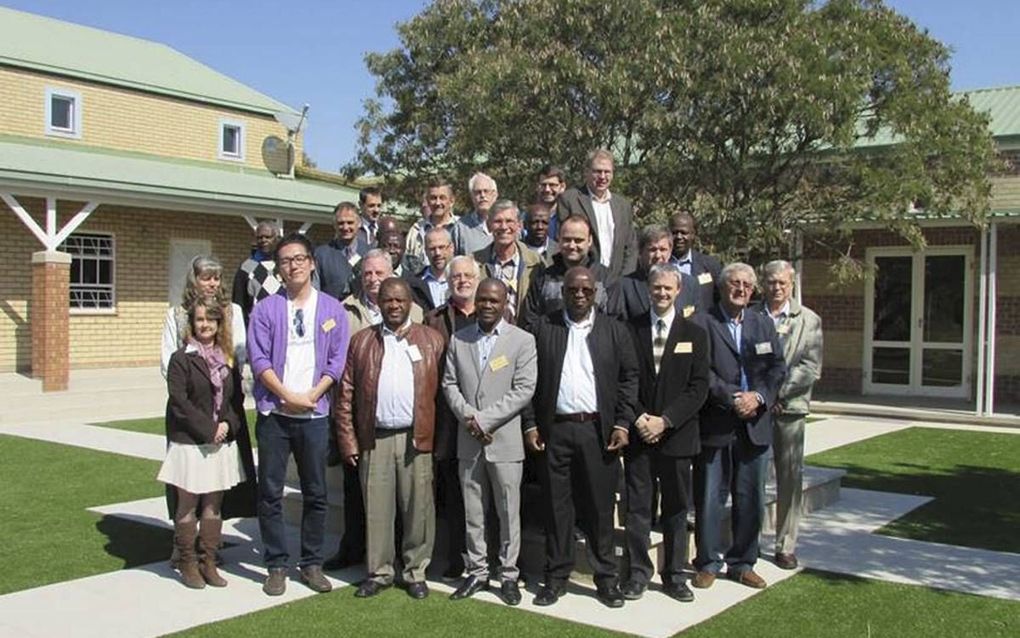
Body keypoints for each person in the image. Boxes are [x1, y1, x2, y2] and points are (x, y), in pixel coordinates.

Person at [526, 267, 639, 609]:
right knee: (556, 508)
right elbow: (528, 382)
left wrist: (622, 423)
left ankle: (606, 578)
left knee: (599, 508)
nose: (579, 296)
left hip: (598, 432)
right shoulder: (544, 327)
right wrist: (530, 424)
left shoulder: (614, 331)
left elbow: (629, 378)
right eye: (573, 290)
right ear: (563, 292)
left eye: (586, 291)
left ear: (595, 294)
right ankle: (556, 577)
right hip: (554, 431)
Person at [247, 233, 351, 596]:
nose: (293, 265)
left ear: (312, 263)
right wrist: (286, 395)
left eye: (299, 258)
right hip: (275, 413)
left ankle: (311, 563)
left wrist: (312, 396)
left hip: (315, 414)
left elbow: (337, 361)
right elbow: (258, 360)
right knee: (270, 492)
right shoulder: (265, 309)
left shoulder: (333, 309)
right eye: (285, 260)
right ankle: (276, 564)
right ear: (278, 268)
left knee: (316, 492)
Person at [336, 278, 446, 600]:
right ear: (379, 304)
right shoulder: (361, 342)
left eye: (400, 300)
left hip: (417, 438)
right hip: (376, 438)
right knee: (377, 510)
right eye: (388, 300)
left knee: (418, 510)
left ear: (410, 302)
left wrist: (439, 444)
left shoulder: (432, 341)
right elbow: (345, 397)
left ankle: (415, 572)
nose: (394, 306)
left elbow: (444, 394)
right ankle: (379, 572)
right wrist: (348, 441)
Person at [442, 279, 538, 605]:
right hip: (468, 441)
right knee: (473, 511)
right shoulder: (459, 339)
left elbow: (524, 390)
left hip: (505, 441)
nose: (486, 305)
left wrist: (485, 419)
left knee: (508, 511)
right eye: (482, 299)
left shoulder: (522, 341)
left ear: (504, 302)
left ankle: (508, 574)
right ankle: (478, 571)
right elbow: (449, 385)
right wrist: (469, 417)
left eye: (493, 300)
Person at [692, 263, 786, 591]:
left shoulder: (763, 325)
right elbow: (700, 371)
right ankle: (706, 563)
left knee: (751, 498)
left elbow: (776, 368)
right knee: (708, 498)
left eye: (748, 284)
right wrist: (733, 397)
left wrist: (758, 397)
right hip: (717, 424)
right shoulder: (702, 323)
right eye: (735, 283)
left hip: (755, 425)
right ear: (721, 287)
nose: (742, 289)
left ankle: (743, 563)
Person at [621, 265, 709, 602]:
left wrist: (666, 421)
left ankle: (674, 575)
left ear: (678, 290)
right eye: (656, 287)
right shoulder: (630, 329)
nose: (661, 293)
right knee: (638, 509)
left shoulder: (695, 334)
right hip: (640, 435)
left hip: (677, 436)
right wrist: (641, 418)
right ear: (648, 288)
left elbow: (698, 387)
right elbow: (623, 381)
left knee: (675, 509)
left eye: (668, 288)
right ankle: (638, 574)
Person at [159, 300, 257, 589]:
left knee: (214, 507)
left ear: (218, 324)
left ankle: (209, 561)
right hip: (190, 444)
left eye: (210, 320)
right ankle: (187, 562)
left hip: (219, 443)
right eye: (200, 319)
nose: (205, 325)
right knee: (188, 505)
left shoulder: (226, 358)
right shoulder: (181, 358)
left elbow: (233, 399)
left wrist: (227, 425)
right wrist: (209, 429)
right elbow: (180, 403)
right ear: (192, 322)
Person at [757, 260, 823, 571]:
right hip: (756, 409)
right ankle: (749, 540)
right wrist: (763, 397)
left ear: (792, 284)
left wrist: (780, 394)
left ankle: (785, 544)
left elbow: (810, 366)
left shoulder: (808, 320)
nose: (777, 287)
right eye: (771, 282)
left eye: (782, 282)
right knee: (752, 477)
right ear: (763, 283)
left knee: (788, 479)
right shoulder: (751, 315)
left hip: (790, 409)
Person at [424, 255, 481, 579]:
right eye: (455, 276)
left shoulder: (496, 311)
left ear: (477, 277)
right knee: (451, 492)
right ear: (448, 281)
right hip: (447, 419)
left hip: (486, 419)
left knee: (482, 490)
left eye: (467, 275)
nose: (462, 280)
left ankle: (485, 557)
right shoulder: (434, 320)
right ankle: (454, 556)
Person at [520, 214, 613, 331]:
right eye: (567, 240)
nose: (572, 245)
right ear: (558, 239)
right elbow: (531, 320)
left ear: (589, 241)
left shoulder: (605, 277)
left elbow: (613, 322)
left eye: (578, 240)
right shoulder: (545, 278)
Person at [162, 255, 246, 380]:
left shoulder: (233, 311)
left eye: (216, 279)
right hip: (188, 386)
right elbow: (168, 356)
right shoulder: (176, 314)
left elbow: (239, 351)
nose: (213, 284)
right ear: (194, 281)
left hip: (224, 383)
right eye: (206, 279)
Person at [558, 149, 637, 278]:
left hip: (616, 280)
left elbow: (630, 247)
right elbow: (564, 242)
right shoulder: (570, 199)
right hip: (582, 280)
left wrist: (624, 279)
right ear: (586, 172)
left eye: (607, 172)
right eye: (597, 171)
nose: (602, 177)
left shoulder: (623, 206)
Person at [609, 225, 701, 321]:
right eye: (652, 250)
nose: (658, 255)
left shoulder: (689, 284)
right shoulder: (624, 286)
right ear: (640, 252)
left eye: (663, 250)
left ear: (670, 251)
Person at [472, 200, 543, 323]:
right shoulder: (474, 262)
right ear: (489, 225)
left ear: (519, 225)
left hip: (524, 333)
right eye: (498, 221)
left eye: (509, 221)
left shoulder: (535, 262)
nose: (504, 227)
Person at [342, 249, 425, 334]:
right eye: (368, 274)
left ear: (391, 274)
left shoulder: (413, 311)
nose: (373, 279)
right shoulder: (346, 309)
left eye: (379, 273)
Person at [314, 202, 369, 301]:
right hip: (331, 313)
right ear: (334, 225)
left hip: (362, 313)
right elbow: (314, 292)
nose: (345, 227)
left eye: (350, 222)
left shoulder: (370, 253)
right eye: (341, 223)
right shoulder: (320, 255)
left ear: (359, 223)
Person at [232, 220, 282, 328]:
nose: (263, 240)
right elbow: (238, 304)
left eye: (268, 237)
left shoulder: (285, 265)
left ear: (277, 238)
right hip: (256, 328)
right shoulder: (246, 267)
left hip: (283, 327)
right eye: (260, 237)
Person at [669, 211, 723, 311]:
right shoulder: (660, 264)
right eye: (674, 233)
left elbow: (720, 300)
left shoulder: (710, 265)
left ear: (693, 234)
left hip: (701, 324)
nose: (679, 237)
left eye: (684, 232)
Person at [406, 179, 459, 275]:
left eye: (442, 198)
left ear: (451, 201)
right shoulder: (416, 230)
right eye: (433, 198)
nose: (437, 203)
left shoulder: (461, 228)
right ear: (427, 201)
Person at [450, 172, 498, 255]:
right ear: (472, 196)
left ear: (494, 194)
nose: (482, 196)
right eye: (478, 192)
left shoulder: (507, 225)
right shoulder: (460, 228)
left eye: (486, 191)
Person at [414, 226, 455, 311]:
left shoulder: (463, 280)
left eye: (441, 247)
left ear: (451, 247)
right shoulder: (415, 283)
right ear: (425, 251)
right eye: (432, 249)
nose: (437, 253)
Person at [534, 164, 567, 241]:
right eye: (543, 185)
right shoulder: (526, 217)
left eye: (552, 185)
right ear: (537, 186)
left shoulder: (568, 217)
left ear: (562, 187)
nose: (547, 189)